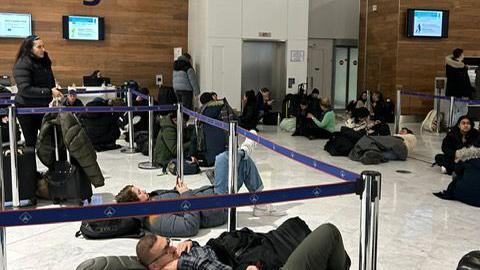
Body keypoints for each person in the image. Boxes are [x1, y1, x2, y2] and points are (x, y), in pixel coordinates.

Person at [135, 218, 351, 270]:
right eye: (167, 249)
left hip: (248, 250)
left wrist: (191, 243)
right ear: (155, 266)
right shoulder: (185, 265)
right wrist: (181, 264)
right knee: (328, 233)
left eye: (169, 243)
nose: (173, 248)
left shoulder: (182, 255)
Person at [115, 181, 227, 238]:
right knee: (224, 160)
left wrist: (178, 189)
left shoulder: (150, 202)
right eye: (140, 193)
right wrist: (185, 194)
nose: (144, 190)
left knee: (239, 161)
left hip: (211, 194)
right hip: (218, 205)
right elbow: (190, 227)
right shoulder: (156, 221)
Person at [12, 35, 63, 147]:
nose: (43, 49)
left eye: (43, 46)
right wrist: (49, 92)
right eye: (39, 47)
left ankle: (58, 164)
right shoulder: (22, 63)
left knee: (53, 140)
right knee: (31, 143)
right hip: (26, 108)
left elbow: (50, 82)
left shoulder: (44, 61)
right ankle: (30, 164)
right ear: (29, 49)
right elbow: (25, 89)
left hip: (42, 106)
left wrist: (53, 90)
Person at [433, 137, 480, 207]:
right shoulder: (452, 134)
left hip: (462, 163)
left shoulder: (474, 134)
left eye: (468, 124)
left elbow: (457, 171)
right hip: (457, 159)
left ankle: (448, 169)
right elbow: (446, 149)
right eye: (463, 124)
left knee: (459, 170)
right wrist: (454, 154)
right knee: (440, 157)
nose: (466, 125)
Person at [189, 92, 229, 167]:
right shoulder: (223, 108)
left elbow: (195, 136)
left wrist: (192, 154)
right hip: (226, 154)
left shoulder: (200, 113)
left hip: (209, 157)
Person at [445, 48, 474, 125]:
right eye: (463, 54)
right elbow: (463, 82)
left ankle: (449, 124)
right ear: (460, 55)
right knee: (463, 110)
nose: (464, 56)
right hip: (460, 93)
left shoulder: (449, 65)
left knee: (452, 110)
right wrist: (468, 92)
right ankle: (455, 124)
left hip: (451, 91)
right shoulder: (461, 68)